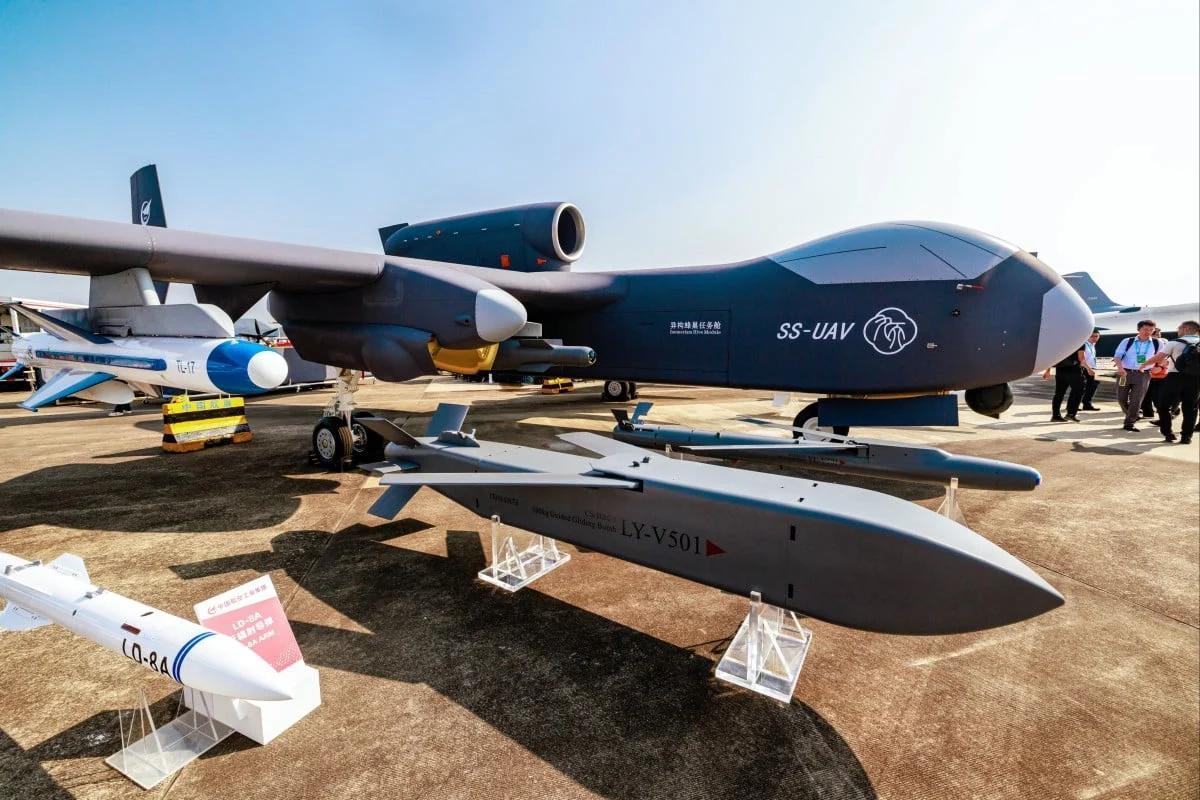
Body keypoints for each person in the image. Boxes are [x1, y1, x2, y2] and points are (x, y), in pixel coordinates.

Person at [1150, 320, 1200, 444]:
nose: (1178, 331)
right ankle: (1186, 437)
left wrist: (1144, 365)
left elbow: (1159, 357)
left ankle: (1168, 433)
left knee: (1163, 406)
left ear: (1186, 328)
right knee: (1191, 409)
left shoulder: (1174, 342)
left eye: (1179, 328)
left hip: (1174, 377)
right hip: (1195, 378)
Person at [1113, 320, 1161, 432]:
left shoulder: (1157, 343)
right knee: (1121, 398)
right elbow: (1117, 356)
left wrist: (1159, 367)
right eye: (1145, 329)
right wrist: (1120, 368)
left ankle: (1129, 422)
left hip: (1143, 374)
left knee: (1136, 400)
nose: (1148, 332)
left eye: (1151, 330)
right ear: (1138, 329)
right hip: (1125, 373)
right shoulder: (1127, 341)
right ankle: (1132, 414)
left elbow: (1161, 357)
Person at [1042, 339, 1089, 422]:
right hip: (1073, 370)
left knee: (1059, 393)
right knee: (1078, 391)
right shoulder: (1079, 341)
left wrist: (1048, 370)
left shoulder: (1060, 342)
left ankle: (1056, 415)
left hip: (1060, 370)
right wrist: (1089, 369)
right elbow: (1081, 358)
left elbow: (1052, 358)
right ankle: (1071, 414)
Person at [1140, 326, 1166, 419]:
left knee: (1156, 396)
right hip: (1149, 372)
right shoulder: (1145, 344)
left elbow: (1166, 358)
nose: (1158, 336)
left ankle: (1166, 413)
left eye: (1159, 334)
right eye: (1157, 334)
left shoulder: (1163, 343)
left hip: (1159, 374)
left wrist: (1161, 367)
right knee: (1147, 394)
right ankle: (1148, 413)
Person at [1080, 330, 1102, 410]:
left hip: (1092, 368)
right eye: (1092, 336)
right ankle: (1078, 404)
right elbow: (1081, 359)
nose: (1094, 338)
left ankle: (1086, 404)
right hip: (1085, 368)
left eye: (1096, 336)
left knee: (1092, 385)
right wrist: (1088, 369)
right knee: (1083, 387)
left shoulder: (1092, 345)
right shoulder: (1084, 345)